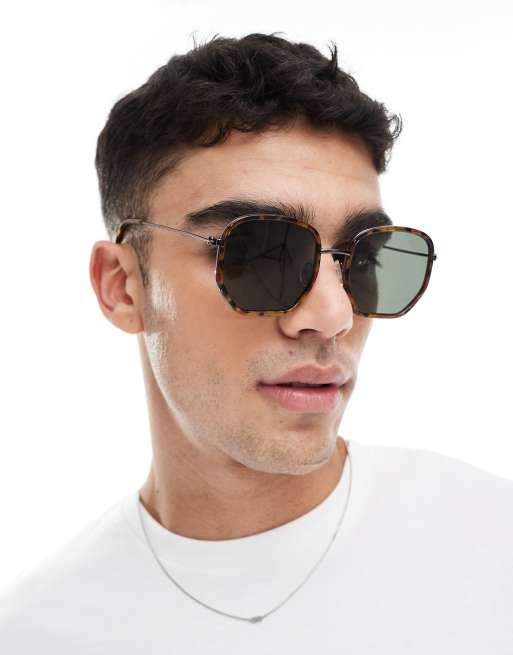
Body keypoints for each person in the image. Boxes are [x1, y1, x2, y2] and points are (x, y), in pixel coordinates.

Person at [1, 32, 512, 653]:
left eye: (364, 257)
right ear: (123, 288)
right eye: (260, 254)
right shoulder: (39, 633)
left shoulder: (491, 550)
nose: (333, 316)